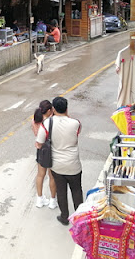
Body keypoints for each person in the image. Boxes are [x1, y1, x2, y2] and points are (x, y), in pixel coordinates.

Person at [36, 96, 83, 226]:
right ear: (67, 108)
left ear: (54, 109)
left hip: (57, 166)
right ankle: (80, 218)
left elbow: (39, 143)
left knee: (61, 191)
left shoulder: (46, 124)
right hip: (74, 164)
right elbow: (76, 134)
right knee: (77, 190)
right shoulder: (76, 123)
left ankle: (64, 217)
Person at [32, 100, 57, 209]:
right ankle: (52, 201)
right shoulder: (50, 121)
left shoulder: (35, 120)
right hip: (51, 149)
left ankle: (40, 199)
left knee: (40, 175)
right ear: (48, 111)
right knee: (52, 176)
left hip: (40, 149)